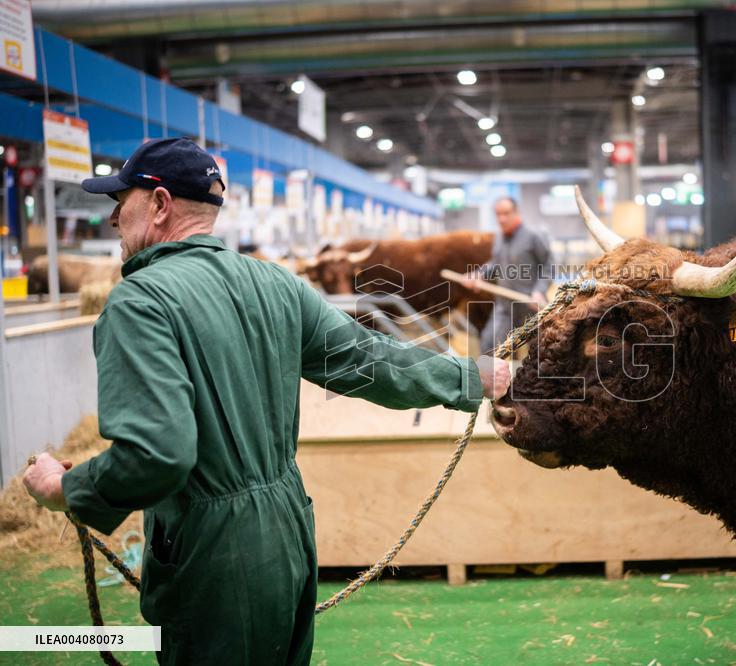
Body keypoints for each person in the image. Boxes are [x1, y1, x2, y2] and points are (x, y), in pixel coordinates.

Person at [22, 137, 511, 665]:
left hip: (211, 553)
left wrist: (68, 487)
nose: (114, 218)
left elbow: (157, 455)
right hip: (289, 531)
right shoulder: (275, 283)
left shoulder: (139, 303)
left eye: (123, 201)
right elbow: (369, 358)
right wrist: (468, 375)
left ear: (160, 204)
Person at [465, 196, 552, 355]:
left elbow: (549, 265)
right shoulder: (499, 238)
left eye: (506, 213)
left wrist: (540, 290)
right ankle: (489, 379)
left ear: (516, 212)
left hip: (530, 306)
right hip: (504, 307)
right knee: (488, 345)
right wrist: (478, 275)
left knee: (541, 353)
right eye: (498, 214)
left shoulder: (533, 236)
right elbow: (495, 264)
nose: (501, 218)